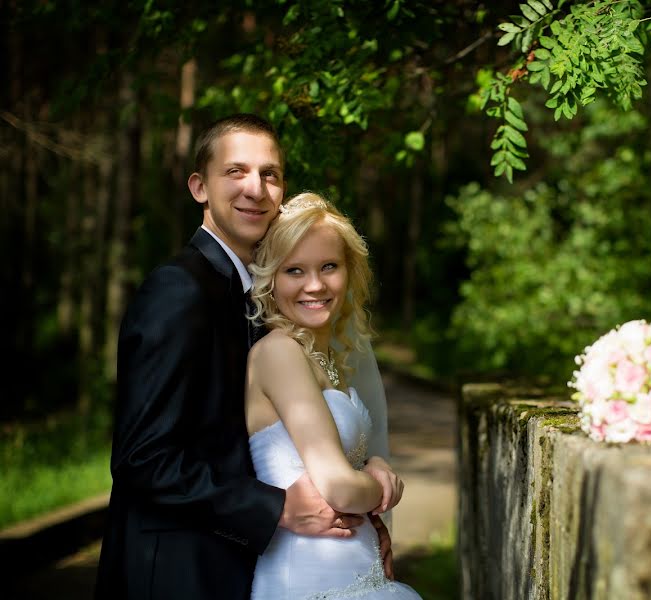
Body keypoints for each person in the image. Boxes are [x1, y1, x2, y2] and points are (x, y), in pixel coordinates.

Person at [94, 114, 394, 600]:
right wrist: (272, 507)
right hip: (178, 573)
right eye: (235, 171)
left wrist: (361, 526)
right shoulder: (178, 289)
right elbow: (142, 459)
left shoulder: (269, 295)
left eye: (269, 174)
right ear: (199, 187)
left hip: (256, 566)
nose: (255, 188)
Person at [244, 192, 422, 599]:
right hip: (306, 580)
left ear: (349, 271)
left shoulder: (326, 357)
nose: (315, 285)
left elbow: (342, 466)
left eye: (329, 266)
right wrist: (385, 485)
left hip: (356, 576)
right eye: (295, 270)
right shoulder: (279, 352)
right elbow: (338, 488)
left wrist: (371, 463)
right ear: (271, 279)